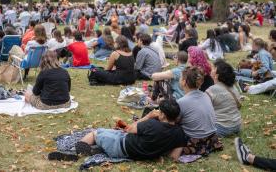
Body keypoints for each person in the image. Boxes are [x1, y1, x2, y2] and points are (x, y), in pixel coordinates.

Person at [49, 98, 187, 161]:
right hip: (140, 154)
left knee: (96, 133)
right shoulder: (180, 133)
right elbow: (174, 157)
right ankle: (93, 150)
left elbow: (129, 129)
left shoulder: (152, 124)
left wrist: (149, 116)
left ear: (162, 114)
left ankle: (75, 152)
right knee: (109, 135)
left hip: (123, 147)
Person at [178, 66, 223, 156]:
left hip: (195, 141)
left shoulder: (181, 102)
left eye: (180, 77)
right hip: (212, 139)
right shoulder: (205, 95)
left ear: (184, 82)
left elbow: (175, 121)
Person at [206, 60, 241, 137]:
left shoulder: (212, 90)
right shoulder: (233, 87)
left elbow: (203, 110)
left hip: (222, 128)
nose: (211, 70)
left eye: (214, 68)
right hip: (237, 126)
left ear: (216, 76)